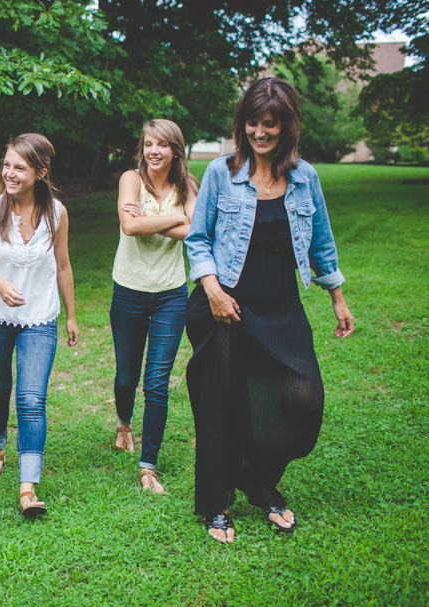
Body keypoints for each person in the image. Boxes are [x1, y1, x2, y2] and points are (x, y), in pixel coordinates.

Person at [184, 77, 355, 543]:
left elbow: (321, 241)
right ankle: (216, 504)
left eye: (270, 125)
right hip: (226, 304)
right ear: (243, 125)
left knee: (304, 398)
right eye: (254, 123)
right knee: (221, 406)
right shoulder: (222, 171)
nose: (261, 132)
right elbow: (198, 239)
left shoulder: (305, 177)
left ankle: (257, 479)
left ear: (286, 127)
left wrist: (336, 297)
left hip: (280, 304)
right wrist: (213, 290)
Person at [0, 133, 79, 518]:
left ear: (40, 172)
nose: (10, 173)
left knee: (31, 399)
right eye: (7, 165)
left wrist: (70, 313)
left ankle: (28, 486)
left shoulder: (57, 213)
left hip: (39, 319)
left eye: (19, 167)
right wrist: (0, 285)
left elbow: (63, 265)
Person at [109, 119, 197, 494]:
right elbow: (129, 227)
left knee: (157, 383)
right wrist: (176, 217)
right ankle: (124, 424)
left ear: (176, 149)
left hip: (171, 295)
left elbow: (196, 232)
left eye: (162, 145)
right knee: (127, 376)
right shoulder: (131, 179)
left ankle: (148, 466)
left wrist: (152, 219)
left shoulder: (188, 186)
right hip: (128, 291)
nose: (154, 152)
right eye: (148, 144)